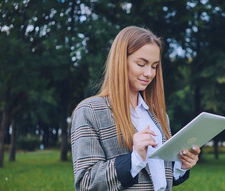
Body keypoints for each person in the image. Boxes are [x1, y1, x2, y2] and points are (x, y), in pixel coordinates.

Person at [71, 26, 200, 191]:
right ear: (120, 61)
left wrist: (181, 166)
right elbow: (85, 183)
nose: (149, 73)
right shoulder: (90, 111)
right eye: (141, 64)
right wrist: (134, 159)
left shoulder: (159, 116)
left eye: (154, 66)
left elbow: (161, 178)